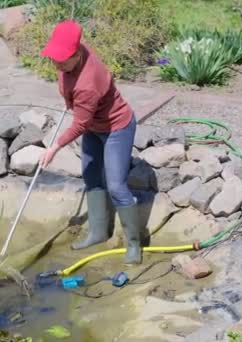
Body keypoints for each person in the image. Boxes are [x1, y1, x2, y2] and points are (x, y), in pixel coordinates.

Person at [38, 20, 142, 264]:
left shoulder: (87, 84)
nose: (56, 64)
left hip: (117, 127)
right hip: (94, 127)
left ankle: (135, 244)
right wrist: (67, 100)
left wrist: (55, 147)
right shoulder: (72, 55)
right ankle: (97, 232)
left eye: (61, 60)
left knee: (116, 186)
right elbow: (68, 86)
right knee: (91, 175)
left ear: (76, 55)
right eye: (53, 58)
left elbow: (80, 124)